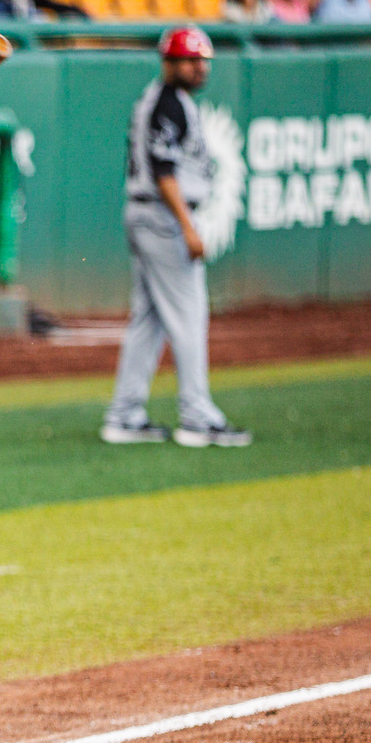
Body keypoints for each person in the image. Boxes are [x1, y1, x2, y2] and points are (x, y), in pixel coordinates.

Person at [101, 27, 249, 450]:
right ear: (169, 62)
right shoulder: (167, 103)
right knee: (188, 316)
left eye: (203, 61)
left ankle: (125, 415)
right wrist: (187, 225)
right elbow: (164, 171)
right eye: (191, 60)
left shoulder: (165, 100)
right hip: (162, 217)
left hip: (148, 214)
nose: (200, 68)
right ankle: (197, 417)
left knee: (148, 320)